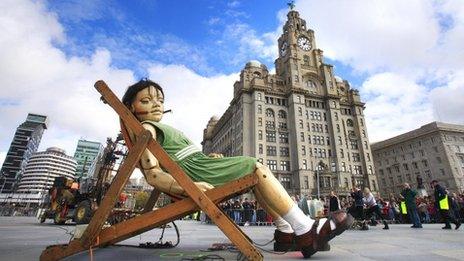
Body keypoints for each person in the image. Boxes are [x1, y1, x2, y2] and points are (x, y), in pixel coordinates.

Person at [121, 79, 353, 258]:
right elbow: (152, 174)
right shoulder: (147, 129)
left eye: (159, 100)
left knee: (255, 172)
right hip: (196, 173)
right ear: (131, 107)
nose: (156, 105)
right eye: (146, 101)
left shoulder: (156, 128)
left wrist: (206, 157)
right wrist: (188, 187)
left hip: (202, 165)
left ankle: (286, 232)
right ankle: (304, 229)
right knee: (256, 167)